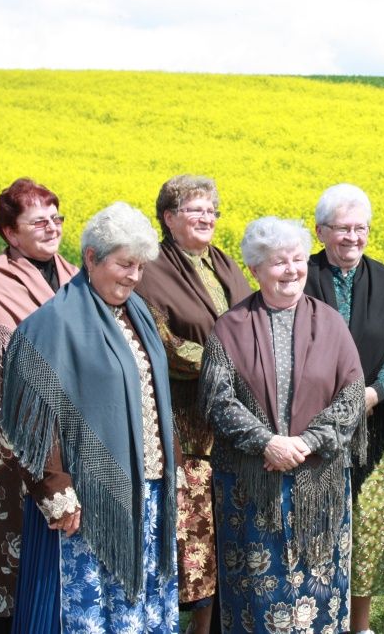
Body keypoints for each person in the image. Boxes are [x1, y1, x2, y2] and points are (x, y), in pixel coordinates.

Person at [0, 202, 182, 633]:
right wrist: (55, 486)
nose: (133, 277)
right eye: (124, 265)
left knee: (140, 599)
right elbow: (33, 416)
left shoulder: (137, 314)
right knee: (90, 605)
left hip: (146, 488)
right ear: (91, 258)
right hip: (86, 498)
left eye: (140, 267)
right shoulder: (53, 323)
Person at [198, 217, 365, 634]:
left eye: (296, 260)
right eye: (278, 262)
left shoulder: (330, 322)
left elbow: (352, 393)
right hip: (252, 485)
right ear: (254, 269)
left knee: (320, 584)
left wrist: (305, 443)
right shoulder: (228, 327)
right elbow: (218, 400)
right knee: (257, 592)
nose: (291, 270)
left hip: (318, 478)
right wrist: (267, 443)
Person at [0, 178, 77, 633]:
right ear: (11, 232)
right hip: (15, 436)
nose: (52, 227)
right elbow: (8, 367)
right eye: (39, 220)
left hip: (69, 429)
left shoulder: (72, 273)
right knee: (9, 541)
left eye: (56, 217)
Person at [135, 175, 252, 634]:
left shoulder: (223, 261)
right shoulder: (151, 268)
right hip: (188, 422)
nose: (206, 219)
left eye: (212, 211)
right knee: (194, 531)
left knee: (230, 524)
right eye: (194, 210)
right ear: (168, 218)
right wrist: (234, 363)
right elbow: (163, 344)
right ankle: (194, 627)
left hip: (237, 416)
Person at [303, 184, 384, 634]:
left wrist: (372, 395)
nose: (352, 237)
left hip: (375, 425)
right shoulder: (303, 275)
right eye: (341, 228)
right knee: (316, 524)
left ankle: (359, 625)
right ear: (320, 231)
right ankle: (314, 617)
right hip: (314, 427)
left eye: (360, 228)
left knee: (367, 528)